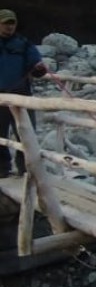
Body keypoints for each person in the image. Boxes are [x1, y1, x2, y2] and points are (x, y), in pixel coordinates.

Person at [0, 9, 47, 178]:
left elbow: (36, 68)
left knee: (26, 135)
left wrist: (40, 69)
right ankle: (2, 168)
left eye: (12, 23)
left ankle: (26, 170)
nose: (9, 27)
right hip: (0, 98)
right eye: (5, 23)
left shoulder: (24, 44)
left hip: (22, 98)